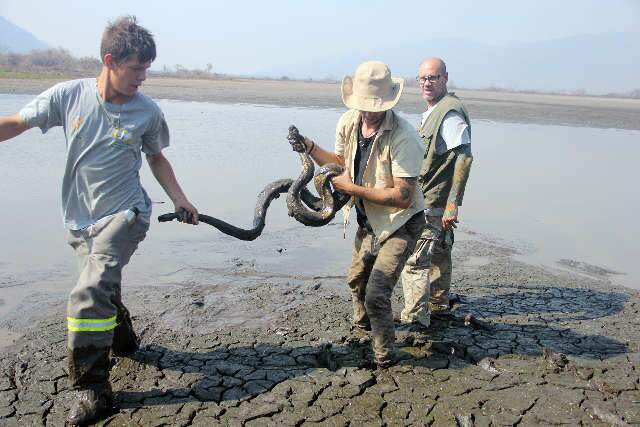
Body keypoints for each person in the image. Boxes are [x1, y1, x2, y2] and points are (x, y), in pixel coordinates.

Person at [0, 16, 198, 425]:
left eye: (147, 69)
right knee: (101, 285)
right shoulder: (68, 96)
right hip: (79, 217)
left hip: (126, 215)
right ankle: (123, 338)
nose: (143, 77)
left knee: (88, 291)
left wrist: (181, 199)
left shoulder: (148, 112)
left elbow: (156, 157)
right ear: (109, 60)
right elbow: (18, 123)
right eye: (136, 69)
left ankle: (92, 387)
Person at [291, 61, 426, 368]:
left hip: (401, 222)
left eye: (373, 106)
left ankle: (385, 357)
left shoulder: (405, 137)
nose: (367, 112)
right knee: (357, 280)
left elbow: (403, 197)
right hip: (369, 217)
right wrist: (309, 146)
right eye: (363, 105)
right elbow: (340, 161)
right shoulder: (349, 122)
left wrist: (352, 188)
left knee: (377, 292)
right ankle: (366, 328)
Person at [400, 57, 474, 327]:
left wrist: (453, 204)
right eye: (422, 78)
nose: (426, 83)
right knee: (440, 252)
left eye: (432, 78)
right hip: (433, 200)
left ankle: (415, 320)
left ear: (445, 78)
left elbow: (464, 158)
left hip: (433, 200)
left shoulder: (449, 112)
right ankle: (439, 306)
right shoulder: (435, 110)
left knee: (416, 261)